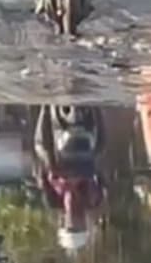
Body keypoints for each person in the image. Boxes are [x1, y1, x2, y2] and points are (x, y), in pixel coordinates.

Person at [33, 105, 105, 252]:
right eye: (78, 227)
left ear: (63, 224)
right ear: (85, 224)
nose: (74, 222)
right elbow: (102, 177)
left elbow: (41, 177)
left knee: (41, 147)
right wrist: (93, 173)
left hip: (60, 159)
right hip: (84, 158)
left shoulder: (53, 201)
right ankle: (97, 107)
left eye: (71, 227)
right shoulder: (93, 200)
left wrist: (49, 170)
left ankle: (45, 107)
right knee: (101, 147)